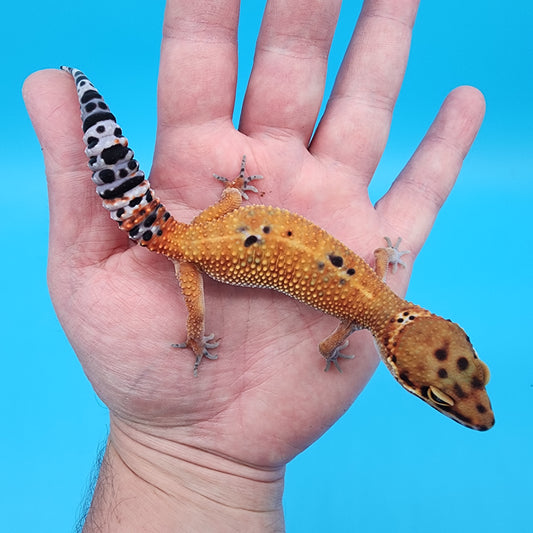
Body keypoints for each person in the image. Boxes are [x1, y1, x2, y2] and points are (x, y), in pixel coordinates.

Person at [23, 0, 485, 530]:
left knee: (169, 219)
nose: (451, 399)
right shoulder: (359, 317)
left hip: (223, 222)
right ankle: (196, 334)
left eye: (444, 391)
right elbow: (327, 342)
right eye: (440, 392)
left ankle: (104, 108)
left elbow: (378, 260)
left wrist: (234, 196)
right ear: (405, 360)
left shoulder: (378, 283)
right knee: (194, 306)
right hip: (192, 252)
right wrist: (203, 340)